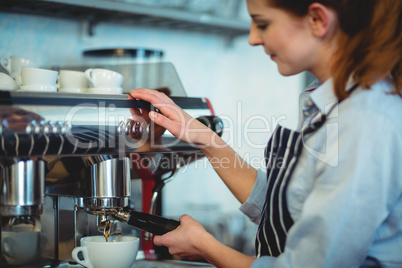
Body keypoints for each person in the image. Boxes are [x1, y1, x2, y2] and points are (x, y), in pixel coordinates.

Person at [129, 0, 402, 267]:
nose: (253, 38)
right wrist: (203, 137)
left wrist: (205, 246)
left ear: (317, 20)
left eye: (262, 24)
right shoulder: (333, 103)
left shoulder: (364, 123)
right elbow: (278, 210)